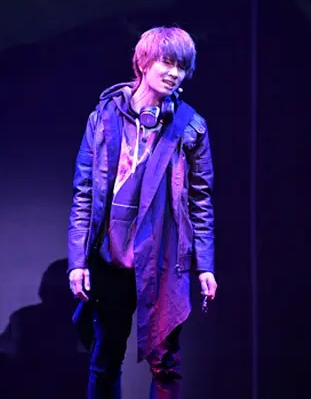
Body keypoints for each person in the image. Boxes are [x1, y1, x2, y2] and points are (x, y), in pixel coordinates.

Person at [67, 26, 218, 399]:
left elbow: (201, 200)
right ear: (144, 61)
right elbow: (84, 192)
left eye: (181, 67)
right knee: (105, 359)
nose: (174, 73)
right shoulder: (104, 118)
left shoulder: (190, 126)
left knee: (166, 365)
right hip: (111, 258)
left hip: (164, 259)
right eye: (167, 63)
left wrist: (205, 266)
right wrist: (77, 261)